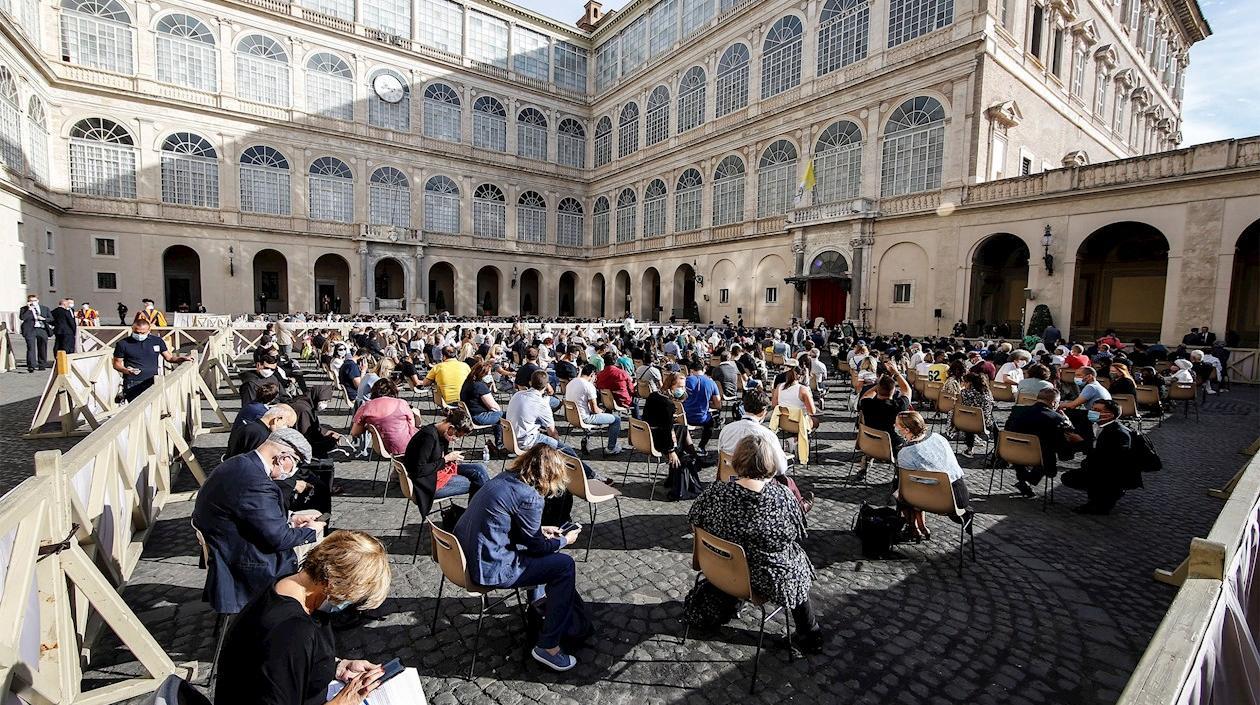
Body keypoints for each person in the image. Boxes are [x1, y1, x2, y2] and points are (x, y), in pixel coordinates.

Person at [213, 530, 392, 705]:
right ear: (334, 585)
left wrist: (337, 666)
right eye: (352, 599)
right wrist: (343, 701)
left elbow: (293, 664)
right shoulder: (292, 631)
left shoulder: (288, 585)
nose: (349, 605)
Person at [453, 444, 589, 671]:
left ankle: (538, 606)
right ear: (550, 475)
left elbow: (504, 522)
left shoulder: (503, 479)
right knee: (564, 565)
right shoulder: (530, 496)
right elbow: (537, 548)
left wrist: (540, 530)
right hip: (490, 567)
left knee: (548, 556)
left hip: (464, 557)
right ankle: (549, 646)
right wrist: (565, 540)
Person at [688, 435, 824, 653]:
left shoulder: (715, 492)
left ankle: (731, 601)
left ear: (737, 461)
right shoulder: (782, 498)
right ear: (770, 463)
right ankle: (810, 634)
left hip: (720, 569)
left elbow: (694, 520)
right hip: (763, 577)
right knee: (795, 562)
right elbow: (792, 536)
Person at [192, 428, 324, 615]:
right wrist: (311, 530)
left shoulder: (238, 463)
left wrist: (291, 518)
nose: (293, 470)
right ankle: (303, 607)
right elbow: (279, 539)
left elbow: (247, 511)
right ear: (283, 457)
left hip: (228, 545)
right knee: (321, 549)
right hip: (246, 562)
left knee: (311, 517)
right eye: (296, 463)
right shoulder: (256, 482)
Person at [894, 411, 971, 540]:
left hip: (938, 500)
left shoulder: (905, 453)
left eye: (897, 425)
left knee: (900, 488)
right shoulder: (938, 437)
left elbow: (906, 486)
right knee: (915, 485)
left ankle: (913, 528)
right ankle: (919, 526)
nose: (895, 426)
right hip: (959, 494)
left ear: (906, 430)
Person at [402, 407, 491, 516]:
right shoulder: (428, 437)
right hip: (427, 483)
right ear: (451, 428)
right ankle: (476, 516)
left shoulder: (441, 433)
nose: (456, 439)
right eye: (457, 435)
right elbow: (418, 470)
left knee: (479, 469)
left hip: (438, 471)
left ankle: (478, 513)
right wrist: (446, 459)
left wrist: (449, 459)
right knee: (478, 483)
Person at [1004, 388, 1081, 498]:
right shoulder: (1056, 418)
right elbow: (1065, 439)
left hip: (1011, 452)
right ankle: (1029, 480)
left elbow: (1007, 430)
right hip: (1039, 457)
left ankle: (1023, 479)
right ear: (1054, 403)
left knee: (1022, 445)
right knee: (1048, 453)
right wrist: (1067, 422)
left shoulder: (1017, 412)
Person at [1068, 399, 1135, 515]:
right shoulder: (1097, 425)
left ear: (1109, 415)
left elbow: (1106, 459)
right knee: (1072, 476)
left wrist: (1082, 442)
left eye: (1097, 410)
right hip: (1098, 466)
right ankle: (1097, 498)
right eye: (1092, 409)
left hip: (1112, 472)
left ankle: (1107, 497)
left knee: (1088, 474)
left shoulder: (1118, 433)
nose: (1092, 412)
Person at [112, 319, 193, 401]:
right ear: (132, 329)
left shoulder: (157, 341)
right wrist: (127, 371)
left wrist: (182, 358)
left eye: (143, 333)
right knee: (136, 407)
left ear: (149, 330)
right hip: (133, 382)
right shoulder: (122, 344)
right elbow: (116, 364)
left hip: (153, 380)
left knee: (154, 406)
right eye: (136, 332)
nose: (139, 335)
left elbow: (169, 358)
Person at [564, 364, 623, 455]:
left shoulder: (571, 383)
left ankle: (586, 437)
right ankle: (611, 448)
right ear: (592, 374)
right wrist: (602, 411)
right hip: (584, 418)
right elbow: (595, 410)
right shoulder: (588, 386)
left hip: (571, 417)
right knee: (616, 420)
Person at [350, 378, 417, 457]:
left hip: (381, 448)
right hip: (408, 446)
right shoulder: (402, 403)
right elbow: (411, 426)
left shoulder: (366, 406)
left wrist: (368, 427)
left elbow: (355, 432)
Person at [460, 359, 505, 448]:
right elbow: (494, 407)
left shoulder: (467, 382)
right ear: (483, 374)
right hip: (480, 416)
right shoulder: (479, 386)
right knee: (505, 415)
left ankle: (500, 442)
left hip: (471, 414)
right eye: (489, 374)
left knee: (498, 416)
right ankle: (501, 443)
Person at [226, 403, 297, 458]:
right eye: (287, 425)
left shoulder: (251, 426)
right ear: (278, 419)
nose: (286, 430)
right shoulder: (261, 435)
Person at [682, 358, 722, 451]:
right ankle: (701, 446)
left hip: (685, 417)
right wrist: (707, 404)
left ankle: (685, 446)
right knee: (710, 424)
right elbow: (718, 405)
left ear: (691, 370)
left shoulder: (685, 381)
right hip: (702, 418)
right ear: (703, 370)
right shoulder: (711, 382)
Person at [954, 372, 995, 457]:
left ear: (970, 383)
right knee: (994, 425)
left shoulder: (964, 393)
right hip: (985, 424)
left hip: (970, 424)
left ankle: (969, 449)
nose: (963, 384)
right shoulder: (987, 392)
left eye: (965, 382)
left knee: (968, 419)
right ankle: (998, 448)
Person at [19, 293, 51, 373]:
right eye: (31, 301)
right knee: (31, 348)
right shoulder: (24, 309)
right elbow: (22, 318)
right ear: (28, 301)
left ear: (38, 300)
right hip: (30, 329)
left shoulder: (44, 308)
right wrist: (29, 309)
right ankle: (31, 366)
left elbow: (51, 318)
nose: (33, 302)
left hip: (41, 329)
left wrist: (44, 319)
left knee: (42, 347)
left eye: (35, 300)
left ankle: (42, 364)